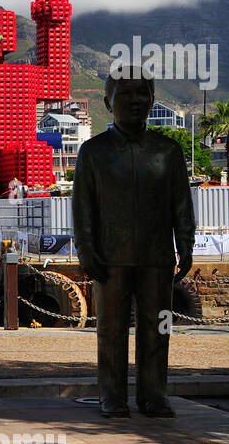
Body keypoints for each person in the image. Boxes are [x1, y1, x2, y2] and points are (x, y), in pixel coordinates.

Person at [73, 66, 194, 418]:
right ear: (109, 102)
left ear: (153, 100)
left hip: (156, 258)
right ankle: (112, 396)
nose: (136, 101)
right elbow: (82, 208)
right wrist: (86, 249)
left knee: (158, 328)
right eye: (126, 94)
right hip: (109, 259)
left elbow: (181, 205)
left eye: (143, 93)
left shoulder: (168, 152)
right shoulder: (93, 152)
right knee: (110, 333)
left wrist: (185, 244)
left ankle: (154, 396)